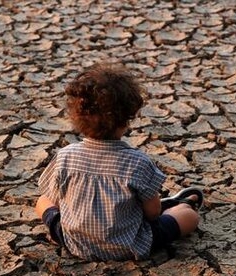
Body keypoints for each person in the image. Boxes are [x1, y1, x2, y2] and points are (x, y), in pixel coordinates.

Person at [35, 62, 202, 261]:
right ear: (125, 121)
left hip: (74, 242)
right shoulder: (137, 163)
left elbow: (56, 200)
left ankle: (61, 233)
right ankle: (179, 204)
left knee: (42, 201)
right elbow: (153, 213)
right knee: (188, 216)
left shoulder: (65, 156)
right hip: (129, 245)